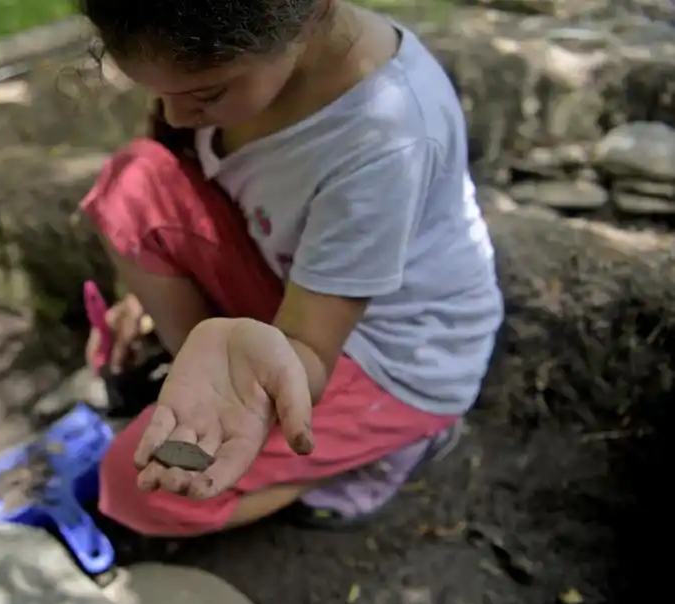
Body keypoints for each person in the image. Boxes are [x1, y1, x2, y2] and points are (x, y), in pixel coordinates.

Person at [77, 0, 504, 537]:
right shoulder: (230, 58)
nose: (175, 115)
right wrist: (147, 295)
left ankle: (392, 443)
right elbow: (171, 172)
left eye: (206, 94)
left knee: (140, 488)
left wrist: (244, 368)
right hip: (298, 287)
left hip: (388, 357)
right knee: (130, 185)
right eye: (158, 91)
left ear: (306, 19)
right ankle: (214, 382)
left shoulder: (386, 137)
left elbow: (307, 349)